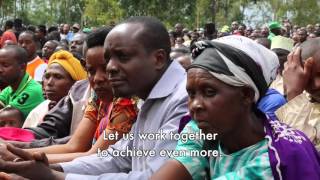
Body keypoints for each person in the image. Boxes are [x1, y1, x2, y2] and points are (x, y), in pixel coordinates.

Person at [0, 16, 189, 180]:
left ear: (158, 59)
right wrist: (48, 168)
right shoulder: (147, 94)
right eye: (109, 59)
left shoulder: (186, 102)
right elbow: (117, 157)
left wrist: (53, 175)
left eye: (122, 57)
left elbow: (154, 176)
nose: (110, 68)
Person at [151, 36, 320, 180]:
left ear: (246, 95)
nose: (195, 105)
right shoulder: (201, 131)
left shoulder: (275, 160)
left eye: (209, 92)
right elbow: (183, 161)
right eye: (191, 94)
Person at [22, 50, 87, 128]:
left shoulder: (85, 112)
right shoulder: (38, 111)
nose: (49, 83)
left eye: (58, 77)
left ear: (75, 83)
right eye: (47, 76)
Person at [276, 38, 320, 151]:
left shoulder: (296, 101)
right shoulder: (305, 103)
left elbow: (306, 158)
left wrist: (294, 96)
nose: (316, 85)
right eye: (308, 78)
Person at [0, 45, 44, 120]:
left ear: (22, 67)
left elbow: (4, 117)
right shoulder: (10, 88)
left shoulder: (32, 91)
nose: (0, 69)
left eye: (5, 65)